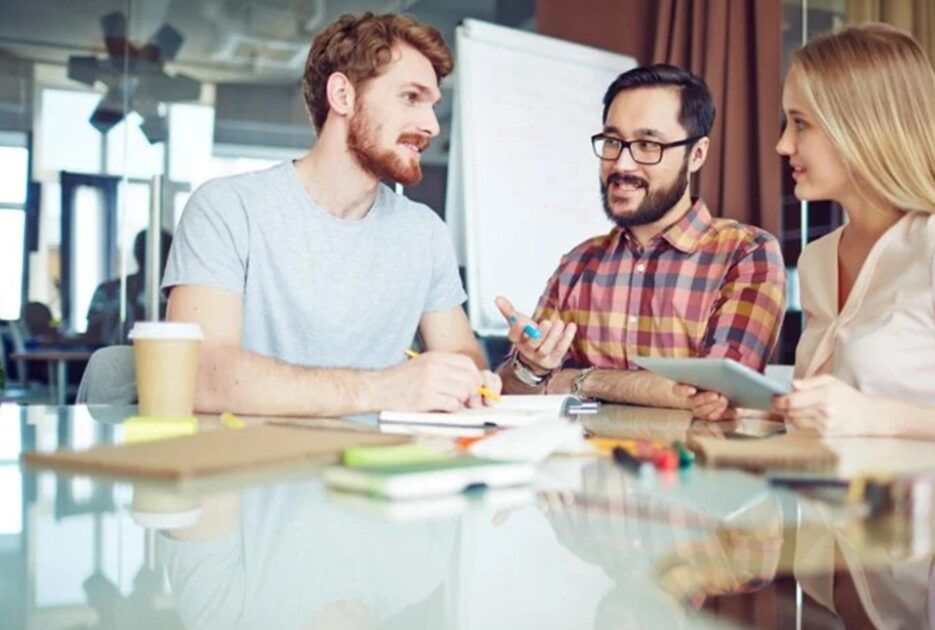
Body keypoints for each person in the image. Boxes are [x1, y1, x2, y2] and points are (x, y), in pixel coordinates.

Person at [163, 13, 499, 416]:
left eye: (433, 105)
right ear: (342, 95)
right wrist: (385, 389)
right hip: (253, 465)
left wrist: (471, 377)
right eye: (411, 97)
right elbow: (200, 376)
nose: (431, 126)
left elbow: (463, 353)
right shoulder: (226, 208)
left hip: (382, 470)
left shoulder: (425, 233)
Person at [763, 23, 935, 449]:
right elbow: (837, 421)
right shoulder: (816, 259)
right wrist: (757, 412)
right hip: (831, 513)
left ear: (862, 127)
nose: (783, 144)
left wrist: (882, 418)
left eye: (800, 124)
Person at [495, 65, 786, 411]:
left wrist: (578, 380)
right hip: (582, 462)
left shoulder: (746, 254)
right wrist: (531, 369)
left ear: (696, 154)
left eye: (648, 145)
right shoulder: (578, 264)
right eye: (613, 141)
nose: (622, 164)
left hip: (690, 463)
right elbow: (511, 395)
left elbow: (715, 395)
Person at [84, 229, 172, 346]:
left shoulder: (178, 294)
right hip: (117, 357)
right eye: (143, 249)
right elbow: (92, 337)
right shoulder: (109, 291)